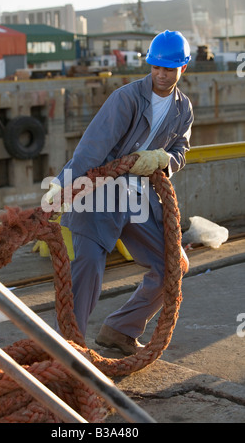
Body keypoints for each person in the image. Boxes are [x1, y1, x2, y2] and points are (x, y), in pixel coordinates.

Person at [44, 30, 194, 355]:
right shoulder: (126, 99)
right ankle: (65, 350)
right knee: (88, 265)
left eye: (169, 69)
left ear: (183, 68)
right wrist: (63, 184)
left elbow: (182, 147)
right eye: (156, 67)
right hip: (98, 195)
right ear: (149, 64)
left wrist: (165, 159)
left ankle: (120, 330)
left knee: (173, 266)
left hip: (137, 199)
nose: (161, 74)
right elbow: (91, 149)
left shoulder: (183, 109)